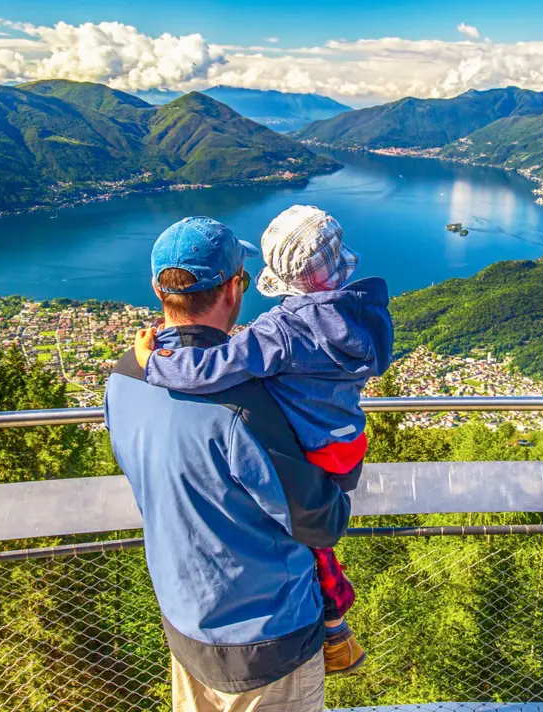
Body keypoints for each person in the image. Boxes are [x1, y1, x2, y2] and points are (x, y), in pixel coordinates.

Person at [104, 216, 355, 712]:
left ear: (159, 290)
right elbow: (319, 520)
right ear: (234, 288)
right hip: (268, 639)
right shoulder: (247, 404)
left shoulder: (124, 379)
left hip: (185, 622)